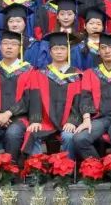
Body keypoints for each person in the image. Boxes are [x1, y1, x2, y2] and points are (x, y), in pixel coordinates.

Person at [26, 32, 94, 160]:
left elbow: (80, 101)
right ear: (50, 52)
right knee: (32, 132)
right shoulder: (39, 74)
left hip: (68, 122)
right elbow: (35, 98)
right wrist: (35, 120)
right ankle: (37, 168)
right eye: (55, 49)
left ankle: (68, 168)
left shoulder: (77, 75)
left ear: (68, 51)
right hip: (45, 121)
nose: (59, 52)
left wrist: (73, 121)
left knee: (69, 136)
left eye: (62, 48)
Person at [0, 31, 40, 167]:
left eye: (13, 44)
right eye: (5, 43)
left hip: (19, 119)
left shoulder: (29, 70)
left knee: (13, 133)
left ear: (20, 48)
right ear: (0, 47)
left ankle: (11, 171)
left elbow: (28, 98)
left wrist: (8, 113)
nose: (9, 47)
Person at [74, 33, 111, 160]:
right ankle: (97, 166)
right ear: (99, 52)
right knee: (80, 138)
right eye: (103, 47)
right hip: (98, 119)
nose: (107, 51)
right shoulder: (90, 73)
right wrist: (86, 119)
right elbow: (85, 97)